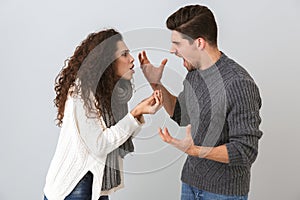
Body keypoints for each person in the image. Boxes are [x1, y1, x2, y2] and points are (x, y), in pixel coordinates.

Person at [138, 5, 263, 200]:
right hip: (190, 183)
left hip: (223, 192)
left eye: (177, 44)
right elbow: (181, 114)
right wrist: (156, 84)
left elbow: (245, 151)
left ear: (199, 43)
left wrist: (196, 151)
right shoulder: (194, 75)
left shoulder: (238, 83)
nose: (173, 51)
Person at [43, 29, 163, 200]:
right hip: (75, 185)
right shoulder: (80, 93)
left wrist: (139, 113)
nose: (131, 59)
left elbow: (119, 137)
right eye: (124, 54)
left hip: (97, 184)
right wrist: (135, 113)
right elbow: (100, 145)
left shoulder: (111, 93)